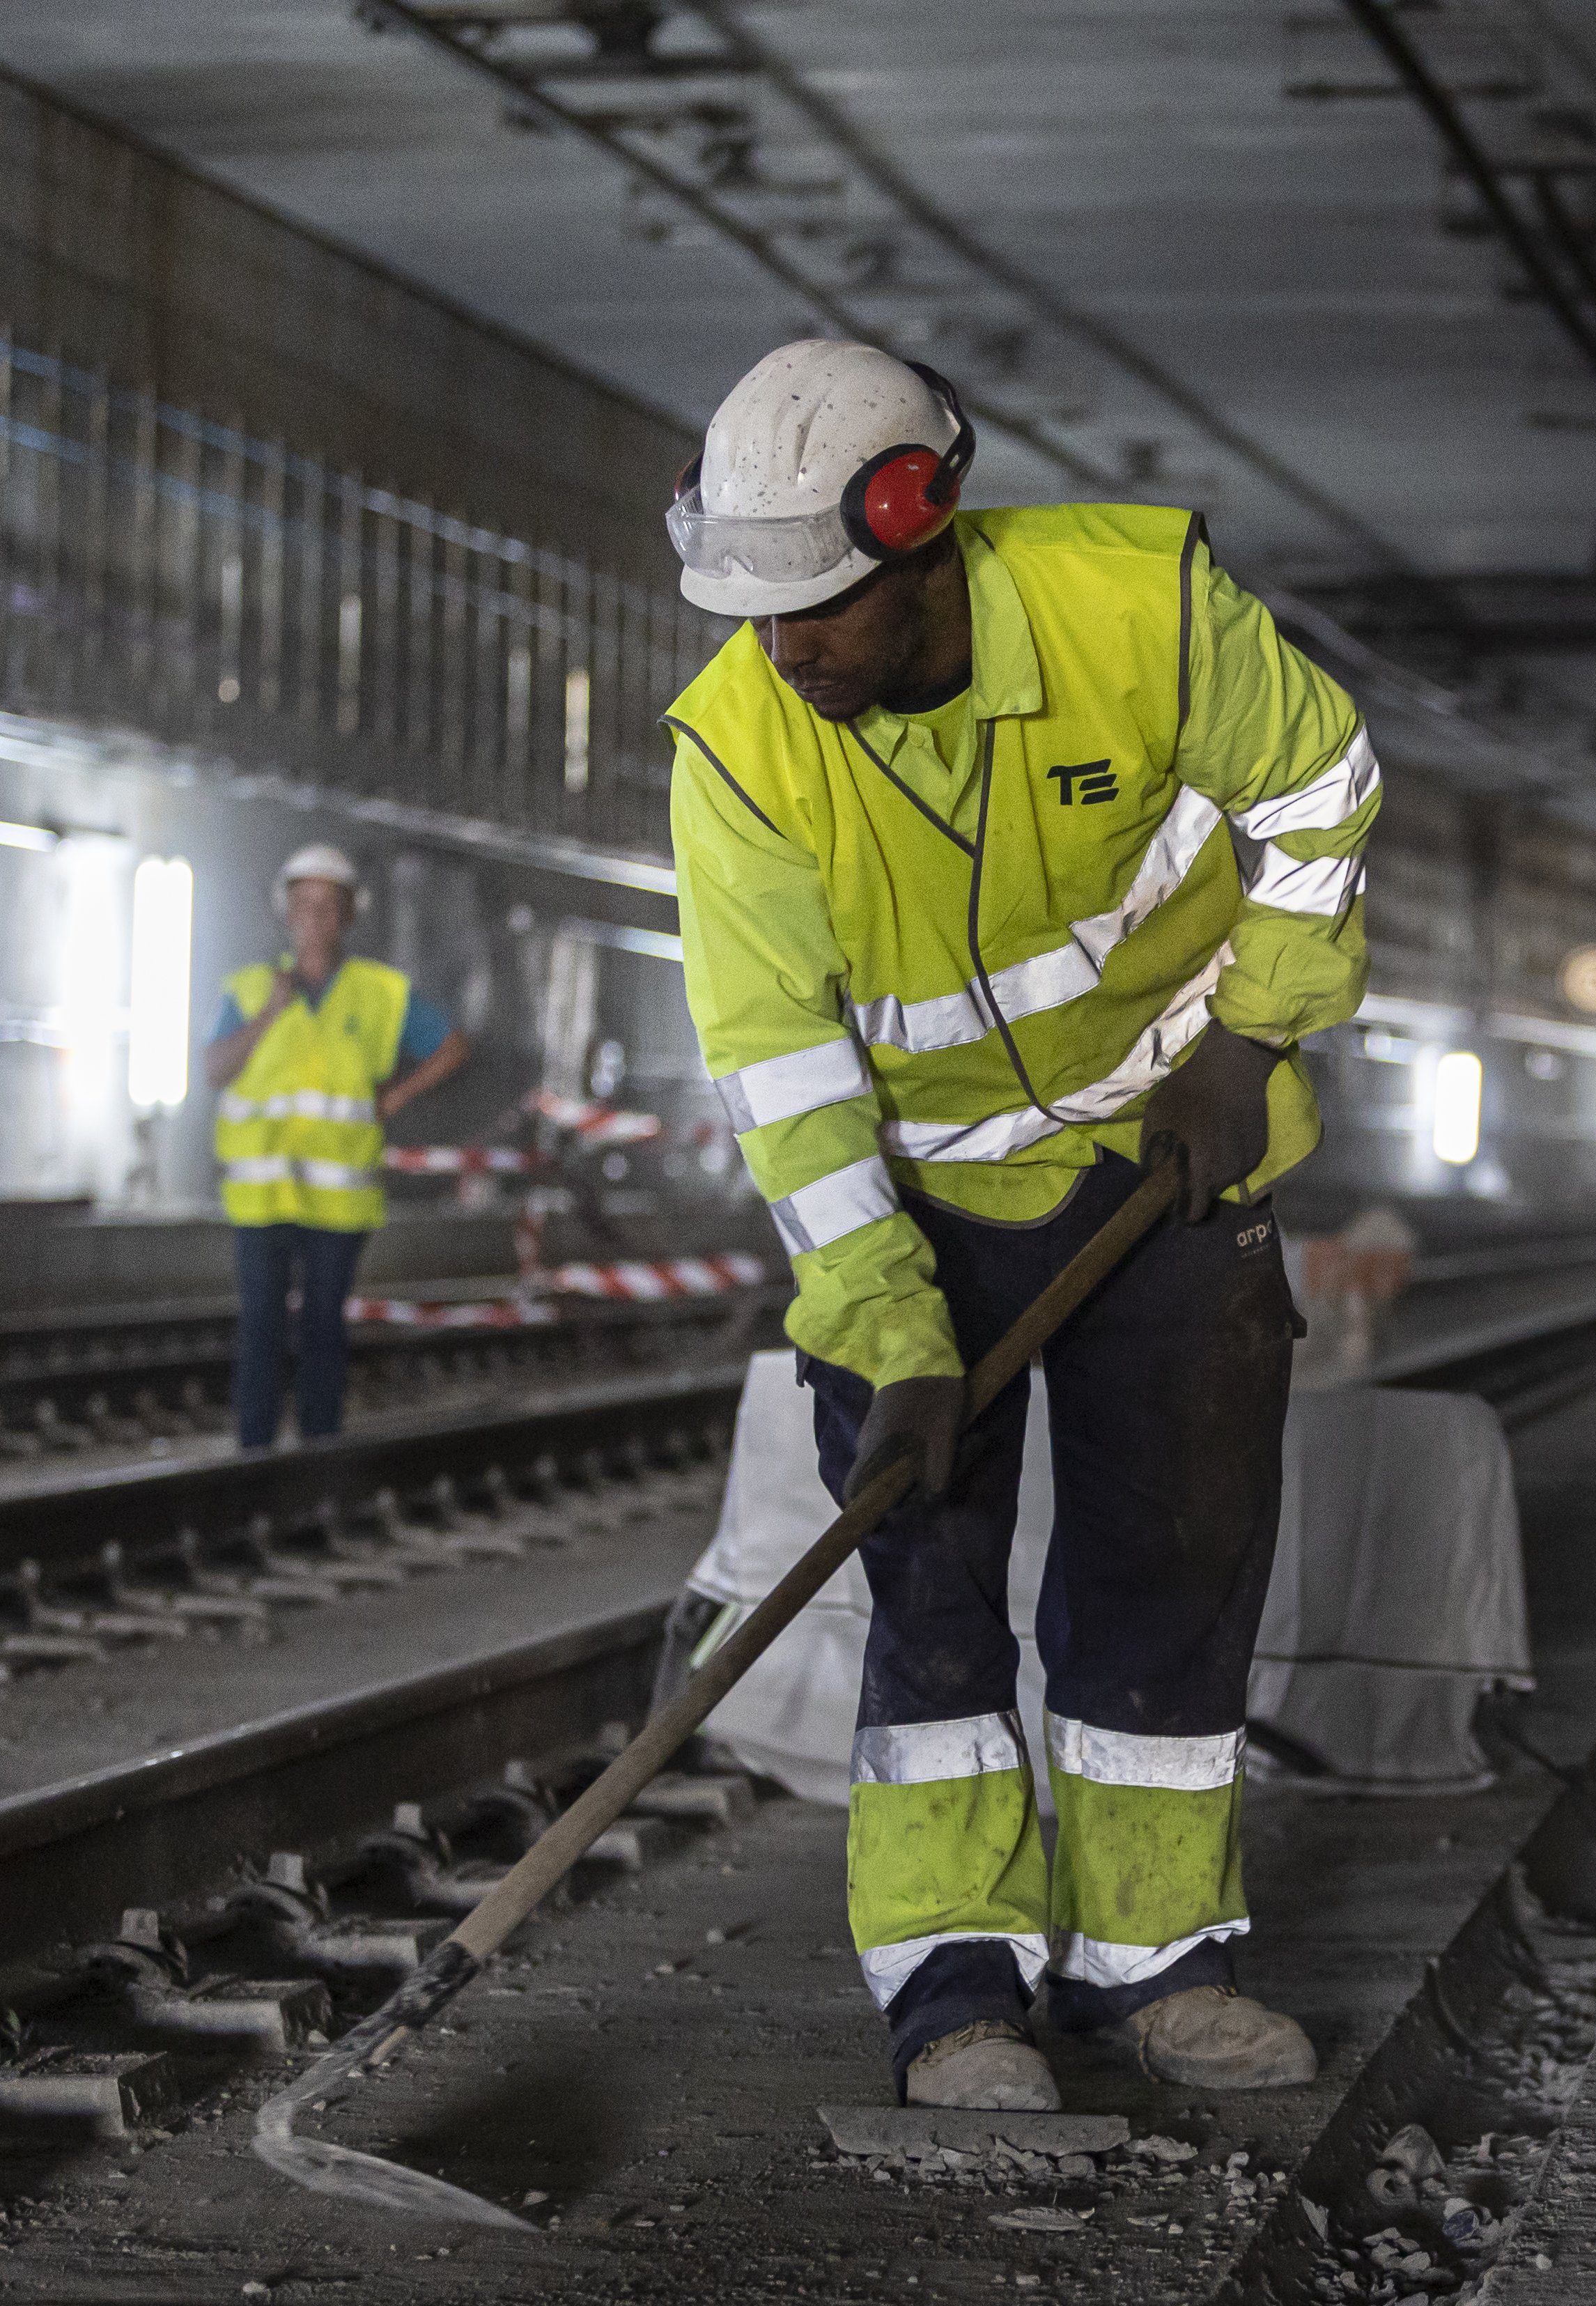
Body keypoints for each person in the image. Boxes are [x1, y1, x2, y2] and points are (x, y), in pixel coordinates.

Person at [662, 340, 1377, 2112]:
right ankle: (953, 1999)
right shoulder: (743, 756)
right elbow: (787, 1075)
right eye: (761, 616)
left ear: (924, 537)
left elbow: (1320, 792)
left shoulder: (1139, 613)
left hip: (1168, 1163)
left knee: (1166, 1569)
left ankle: (1156, 1972)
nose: (791, 649)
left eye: (822, 608)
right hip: (915, 1202)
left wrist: (1250, 1033)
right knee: (928, 1600)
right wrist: (892, 1335)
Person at [203, 844, 469, 1448]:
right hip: (261, 1198)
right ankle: (255, 1453)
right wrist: (271, 1012)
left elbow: (452, 1046)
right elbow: (214, 1068)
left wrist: (394, 1098)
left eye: (329, 906)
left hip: (338, 1201)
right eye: (304, 905)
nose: (316, 918)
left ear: (349, 915)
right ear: (286, 913)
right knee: (261, 1328)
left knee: (324, 1328)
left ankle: (318, 1453)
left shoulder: (380, 993)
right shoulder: (249, 990)